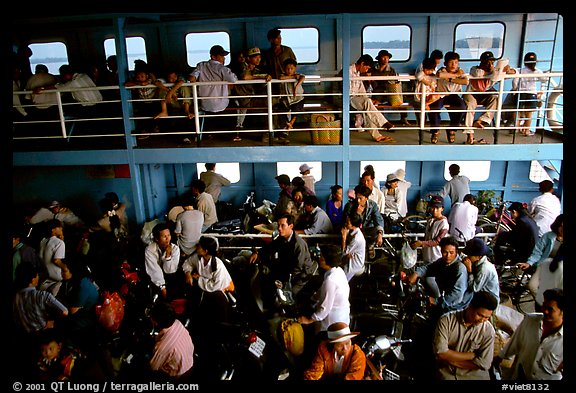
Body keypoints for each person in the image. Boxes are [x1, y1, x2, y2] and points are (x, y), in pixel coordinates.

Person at [493, 288, 563, 380]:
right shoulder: (530, 320)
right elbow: (515, 342)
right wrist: (499, 358)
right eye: (544, 306)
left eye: (550, 309)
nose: (545, 311)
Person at [249, 213, 317, 306]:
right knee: (266, 281)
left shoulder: (298, 245)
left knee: (288, 295)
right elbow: (270, 248)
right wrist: (257, 253)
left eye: (282, 225)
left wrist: (284, 282)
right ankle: (269, 308)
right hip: (287, 269)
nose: (279, 228)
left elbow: (298, 268)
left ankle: (290, 313)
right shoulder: (281, 238)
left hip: (301, 275)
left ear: (291, 226)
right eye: (278, 225)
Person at [433, 291, 498, 380]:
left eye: (487, 317)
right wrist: (471, 356)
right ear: (470, 307)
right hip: (448, 373)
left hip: (475, 376)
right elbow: (441, 352)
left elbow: (485, 363)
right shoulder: (446, 320)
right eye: (480, 315)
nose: (482, 320)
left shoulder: (488, 331)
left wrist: (452, 360)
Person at [464, 51, 516, 145]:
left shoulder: (494, 71)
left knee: (495, 97)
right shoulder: (475, 69)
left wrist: (506, 70)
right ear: (481, 61)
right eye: (487, 61)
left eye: (491, 62)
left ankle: (481, 120)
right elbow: (479, 74)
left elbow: (513, 73)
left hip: (485, 94)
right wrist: (495, 70)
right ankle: (470, 135)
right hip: (472, 93)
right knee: (470, 105)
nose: (489, 64)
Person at [408, 236, 468, 317]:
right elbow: (429, 268)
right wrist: (416, 274)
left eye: (451, 253)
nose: (448, 256)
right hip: (447, 300)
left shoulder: (460, 268)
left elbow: (457, 294)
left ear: (456, 252)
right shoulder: (443, 261)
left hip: (457, 306)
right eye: (445, 252)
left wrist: (436, 302)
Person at [188, 45, 238, 139]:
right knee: (234, 106)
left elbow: (191, 78)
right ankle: (232, 134)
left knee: (206, 110)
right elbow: (233, 79)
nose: (224, 58)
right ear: (213, 57)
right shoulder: (222, 68)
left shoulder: (201, 65)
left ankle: (208, 133)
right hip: (221, 104)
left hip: (205, 103)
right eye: (221, 55)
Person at [298, 245, 350, 334]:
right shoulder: (338, 271)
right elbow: (322, 291)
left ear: (326, 260)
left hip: (332, 322)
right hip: (342, 316)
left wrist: (309, 320)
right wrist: (313, 298)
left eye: (321, 256)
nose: (319, 258)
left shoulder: (331, 280)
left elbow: (325, 308)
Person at [182, 236, 234, 326]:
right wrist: (188, 273)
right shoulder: (198, 258)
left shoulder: (218, 266)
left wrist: (199, 279)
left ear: (205, 251)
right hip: (206, 288)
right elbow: (188, 263)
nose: (197, 247)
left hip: (221, 291)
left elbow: (215, 286)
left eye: (199, 246)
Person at [347, 54, 395, 142]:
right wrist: (365, 99)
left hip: (356, 98)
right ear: (362, 64)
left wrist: (367, 99)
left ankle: (377, 136)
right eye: (367, 67)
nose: (367, 70)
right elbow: (348, 91)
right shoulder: (348, 71)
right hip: (347, 98)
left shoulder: (357, 73)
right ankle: (383, 123)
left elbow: (361, 89)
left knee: (368, 108)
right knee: (367, 103)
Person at [13, 263, 69, 334]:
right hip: (42, 334)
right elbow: (64, 311)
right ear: (33, 280)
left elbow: (16, 319)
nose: (38, 277)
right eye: (37, 275)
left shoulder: (15, 297)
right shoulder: (42, 295)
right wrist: (50, 322)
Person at [502, 52, 549, 136]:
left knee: (517, 112)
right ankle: (526, 130)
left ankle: (516, 128)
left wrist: (515, 89)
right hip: (531, 94)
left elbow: (515, 81)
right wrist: (547, 74)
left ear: (525, 61)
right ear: (535, 62)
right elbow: (544, 79)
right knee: (529, 113)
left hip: (520, 93)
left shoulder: (520, 70)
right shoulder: (537, 71)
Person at [302, 322, 366, 380]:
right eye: (340, 345)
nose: (345, 348)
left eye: (347, 343)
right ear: (332, 345)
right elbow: (314, 373)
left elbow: (354, 378)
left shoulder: (358, 355)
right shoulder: (323, 349)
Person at [149, 301, 195, 379]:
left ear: (156, 322)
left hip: (178, 375)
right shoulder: (178, 323)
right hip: (189, 361)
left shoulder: (162, 348)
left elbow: (153, 367)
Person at [234, 47, 272, 140]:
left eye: (259, 57)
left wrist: (265, 78)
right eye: (255, 57)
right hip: (242, 99)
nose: (258, 59)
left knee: (272, 103)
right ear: (248, 58)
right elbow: (245, 77)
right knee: (269, 103)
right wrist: (261, 77)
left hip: (250, 98)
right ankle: (267, 134)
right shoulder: (242, 66)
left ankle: (268, 132)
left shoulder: (256, 70)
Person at [432, 51, 469, 144]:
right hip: (441, 95)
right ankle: (435, 131)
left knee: (462, 107)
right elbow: (440, 75)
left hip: (454, 95)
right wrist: (456, 76)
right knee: (434, 108)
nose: (454, 65)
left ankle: (451, 129)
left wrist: (451, 79)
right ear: (445, 63)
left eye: (456, 62)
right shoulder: (442, 70)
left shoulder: (461, 70)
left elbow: (465, 82)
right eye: (451, 62)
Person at [342, 184, 385, 260]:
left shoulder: (373, 205)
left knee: (376, 230)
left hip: (368, 229)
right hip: (353, 231)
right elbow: (347, 223)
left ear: (366, 198)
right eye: (357, 198)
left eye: (360, 198)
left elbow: (378, 219)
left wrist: (380, 233)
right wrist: (357, 214)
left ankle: (370, 246)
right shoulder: (349, 206)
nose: (358, 201)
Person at [370, 49, 411, 125]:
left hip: (389, 90)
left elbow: (394, 81)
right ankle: (382, 121)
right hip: (377, 91)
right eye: (383, 57)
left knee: (402, 98)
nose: (386, 60)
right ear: (379, 59)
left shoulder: (391, 70)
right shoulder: (373, 69)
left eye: (387, 58)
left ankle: (403, 118)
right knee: (377, 99)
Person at [493, 202, 539, 266]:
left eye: (511, 213)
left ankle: (499, 266)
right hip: (532, 249)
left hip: (525, 253)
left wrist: (500, 236)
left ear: (514, 211)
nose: (511, 216)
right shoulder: (529, 219)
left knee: (497, 248)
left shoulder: (522, 222)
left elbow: (514, 237)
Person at [144, 222, 181, 299]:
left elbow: (170, 270)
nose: (168, 239)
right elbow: (154, 270)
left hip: (170, 275)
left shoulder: (175, 249)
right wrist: (162, 287)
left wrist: (168, 256)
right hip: (156, 278)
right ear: (157, 239)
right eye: (164, 236)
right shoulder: (150, 250)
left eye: (169, 235)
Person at [460, 238, 500, 307]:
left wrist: (470, 271)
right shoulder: (477, 262)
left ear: (478, 257)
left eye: (470, 255)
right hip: (481, 294)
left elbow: (474, 288)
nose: (468, 257)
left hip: (489, 301)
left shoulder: (484, 269)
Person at [410, 196, 449, 264]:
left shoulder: (443, 223)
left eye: (437, 208)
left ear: (442, 209)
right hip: (427, 256)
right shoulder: (430, 220)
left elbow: (437, 241)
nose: (434, 210)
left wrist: (421, 243)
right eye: (433, 207)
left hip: (437, 258)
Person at [414, 57, 442, 143]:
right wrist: (428, 83)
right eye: (427, 70)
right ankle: (425, 104)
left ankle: (427, 104)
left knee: (437, 96)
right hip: (420, 97)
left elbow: (436, 84)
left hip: (429, 97)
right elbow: (419, 76)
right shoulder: (421, 74)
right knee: (421, 114)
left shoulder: (433, 76)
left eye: (430, 70)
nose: (428, 72)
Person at [38, 219, 68, 295]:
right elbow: (56, 260)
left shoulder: (43, 241)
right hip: (55, 277)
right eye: (59, 227)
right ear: (53, 230)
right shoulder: (59, 243)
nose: (61, 228)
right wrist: (65, 268)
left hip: (43, 275)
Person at [341, 213, 366, 281]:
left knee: (342, 282)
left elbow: (344, 252)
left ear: (353, 225)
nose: (345, 224)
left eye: (348, 223)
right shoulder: (352, 231)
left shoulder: (356, 238)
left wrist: (344, 237)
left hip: (354, 264)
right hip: (349, 259)